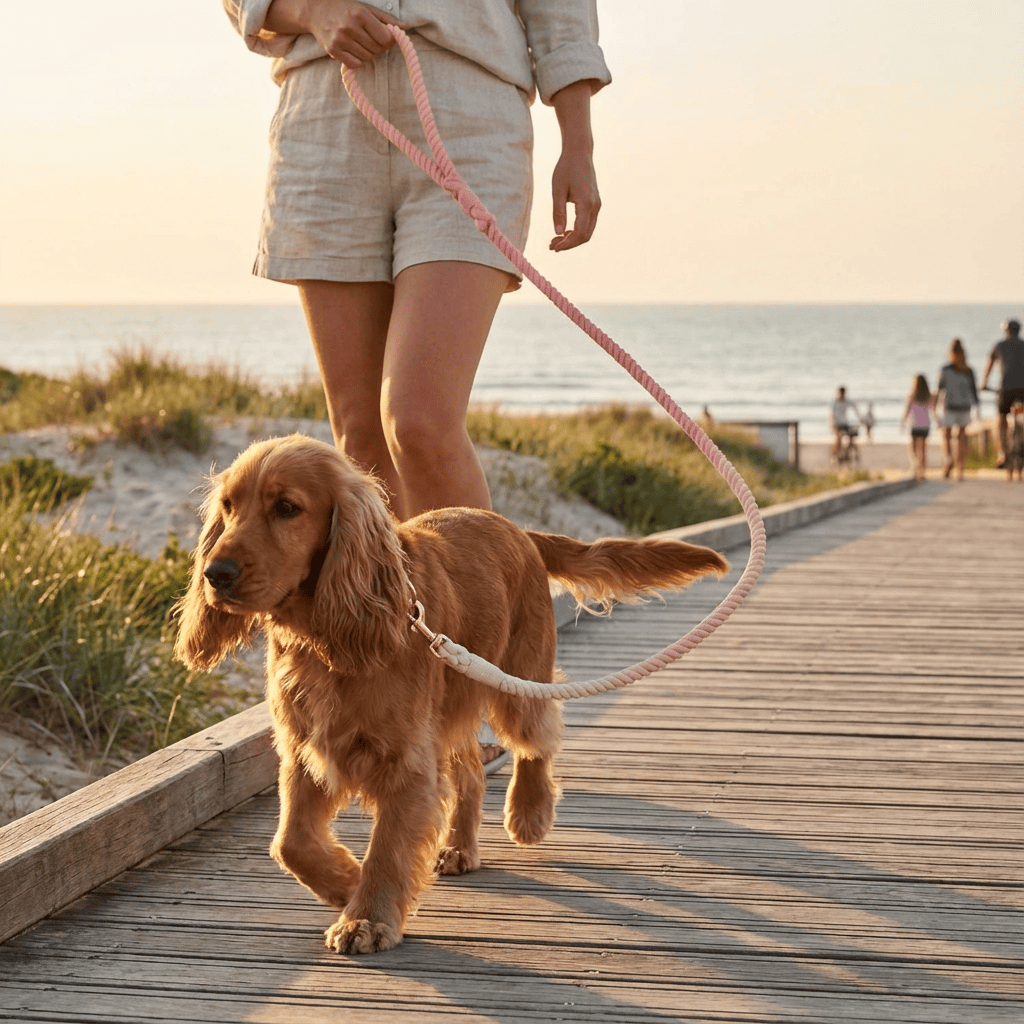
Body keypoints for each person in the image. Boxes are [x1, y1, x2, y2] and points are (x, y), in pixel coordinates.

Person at [223, 1, 611, 773]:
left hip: (468, 113)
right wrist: (310, 11)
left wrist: (579, 143)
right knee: (360, 438)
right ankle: (402, 695)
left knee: (419, 421)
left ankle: (478, 687)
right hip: (324, 117)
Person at [980, 319, 1024, 468]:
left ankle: (1003, 454)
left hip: (1006, 388)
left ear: (1006, 331)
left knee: (1001, 419)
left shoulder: (999, 346)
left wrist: (984, 384)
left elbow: (988, 367)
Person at [935, 338, 979, 481]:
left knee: (946, 436)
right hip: (965, 407)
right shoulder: (969, 370)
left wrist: (934, 407)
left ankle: (948, 459)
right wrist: (978, 409)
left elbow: (939, 389)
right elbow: (974, 392)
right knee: (962, 438)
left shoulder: (945, 369)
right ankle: (960, 469)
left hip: (950, 406)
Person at [901, 374, 934, 481]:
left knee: (914, 449)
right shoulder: (929, 395)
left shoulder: (912, 395)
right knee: (923, 450)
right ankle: (922, 472)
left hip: (915, 424)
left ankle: (915, 468)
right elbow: (933, 410)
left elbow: (907, 410)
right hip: (925, 425)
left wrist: (903, 422)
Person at [829, 386, 859, 463]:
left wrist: (859, 417)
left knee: (852, 436)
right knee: (839, 438)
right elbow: (831, 416)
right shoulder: (834, 403)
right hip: (837, 424)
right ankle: (834, 456)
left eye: (843, 394)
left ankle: (847, 454)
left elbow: (855, 407)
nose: (842, 395)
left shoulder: (847, 401)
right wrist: (832, 426)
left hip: (845, 423)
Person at [1006, 401, 1024, 482]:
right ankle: (1010, 475)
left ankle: (1020, 475)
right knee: (1010, 457)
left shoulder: (1021, 418)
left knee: (1020, 457)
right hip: (1011, 441)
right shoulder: (1010, 417)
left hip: (1020, 441)